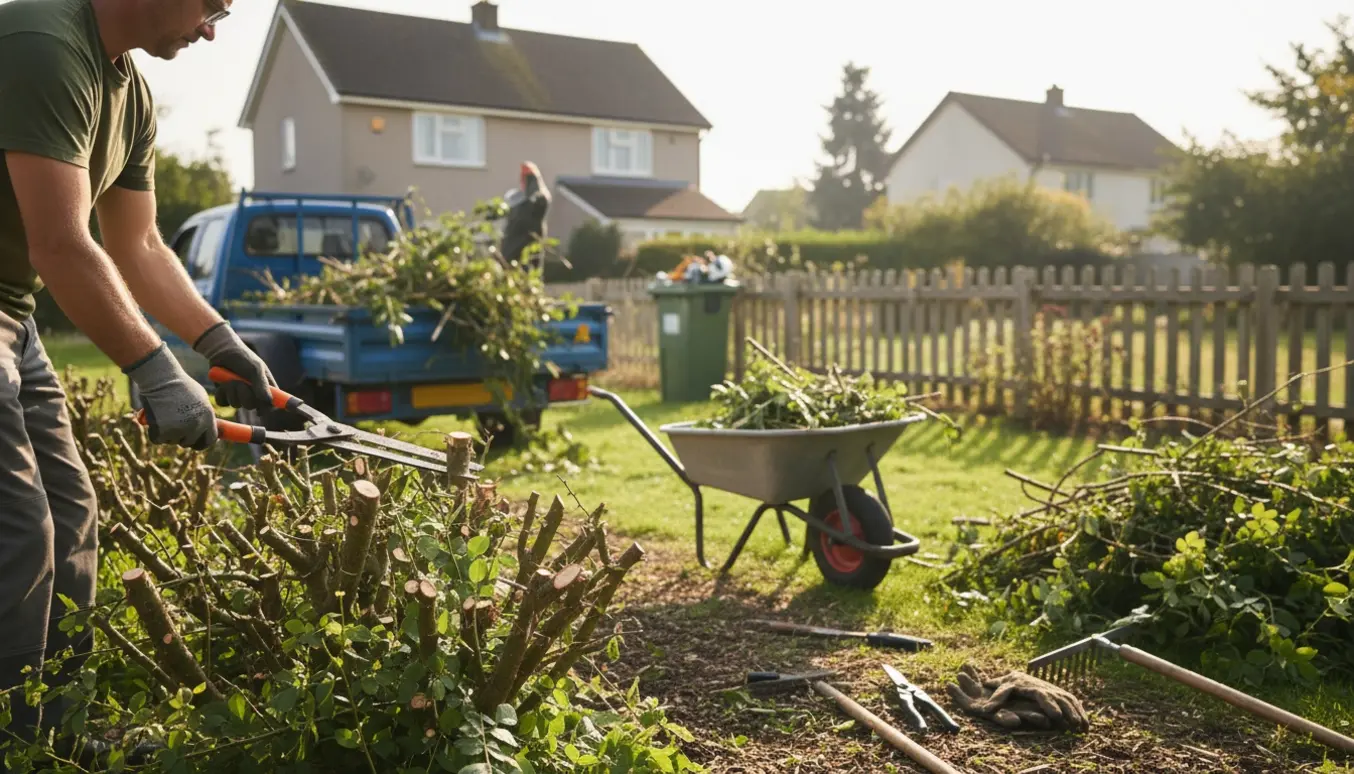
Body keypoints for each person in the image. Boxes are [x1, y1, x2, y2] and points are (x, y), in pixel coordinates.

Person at [0, 0, 277, 759]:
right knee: (18, 533)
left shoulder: (133, 93)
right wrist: (155, 371)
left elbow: (140, 242)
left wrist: (218, 342)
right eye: (211, 6)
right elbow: (61, 243)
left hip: (10, 315)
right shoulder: (40, 43)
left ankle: (47, 737)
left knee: (71, 511)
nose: (213, 28)